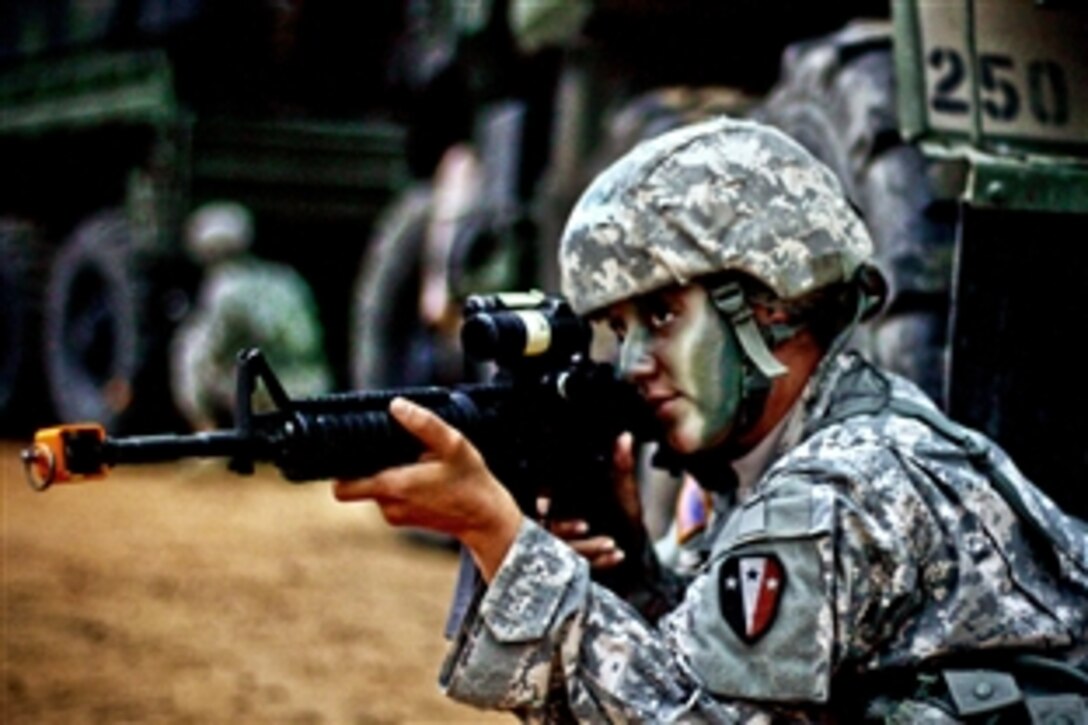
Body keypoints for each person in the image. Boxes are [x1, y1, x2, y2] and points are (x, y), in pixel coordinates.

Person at [332, 118, 1088, 721]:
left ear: (772, 306)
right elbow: (719, 672)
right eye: (620, 328)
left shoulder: (840, 484)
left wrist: (501, 535)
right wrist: (633, 577)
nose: (631, 363)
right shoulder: (805, 448)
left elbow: (691, 717)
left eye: (661, 315)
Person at [170, 201, 332, 430]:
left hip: (274, 389)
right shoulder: (283, 277)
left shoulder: (224, 288)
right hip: (315, 383)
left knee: (188, 349)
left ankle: (208, 435)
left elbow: (213, 350)